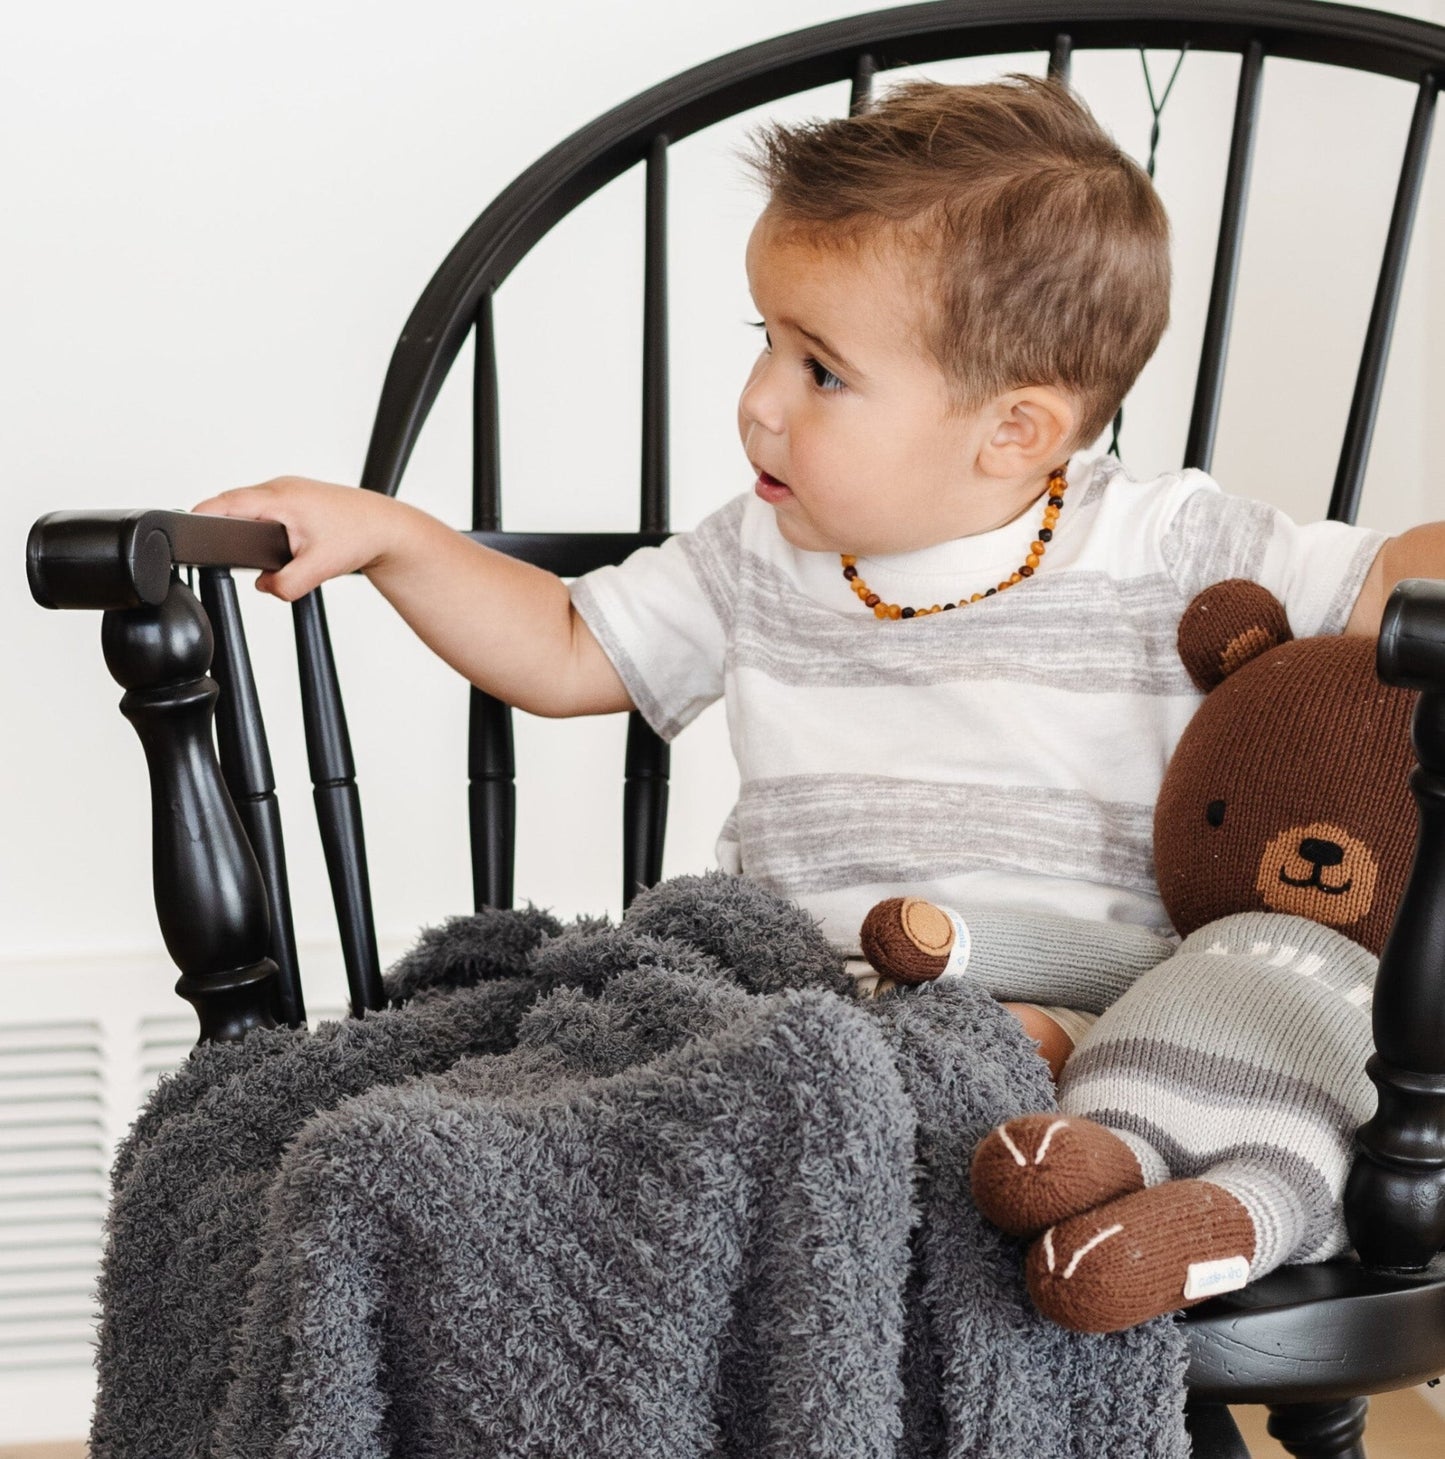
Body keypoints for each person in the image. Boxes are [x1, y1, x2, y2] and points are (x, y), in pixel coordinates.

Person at [191, 75, 1437, 1074]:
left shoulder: (1163, 541)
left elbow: (1391, 582)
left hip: (1074, 1008)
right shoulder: (757, 550)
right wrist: (397, 537)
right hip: (791, 1009)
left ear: (1013, 430)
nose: (757, 404)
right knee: (632, 1071)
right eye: (764, 344)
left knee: (1052, 1052)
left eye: (819, 370)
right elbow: (566, 646)